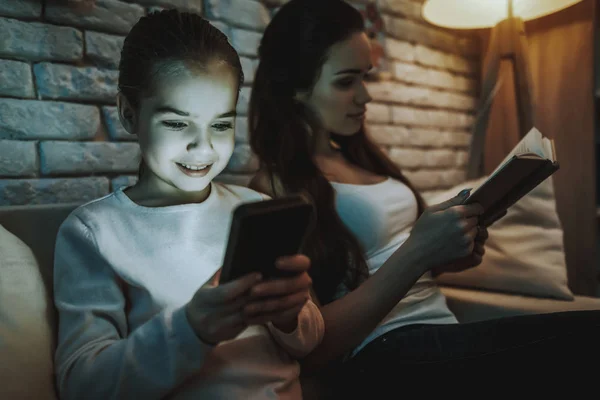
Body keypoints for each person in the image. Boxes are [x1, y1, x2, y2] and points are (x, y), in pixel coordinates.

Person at [248, 0, 600, 394]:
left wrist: (448, 255)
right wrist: (418, 253)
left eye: (366, 77)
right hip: (382, 353)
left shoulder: (359, 157)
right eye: (346, 81)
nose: (365, 97)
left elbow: (396, 261)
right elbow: (311, 349)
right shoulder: (274, 187)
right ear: (294, 87)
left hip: (440, 335)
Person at [52, 10, 324, 400]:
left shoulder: (255, 208)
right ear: (129, 113)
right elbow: (83, 385)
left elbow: (309, 340)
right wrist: (192, 328)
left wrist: (289, 315)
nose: (204, 148)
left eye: (221, 124)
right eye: (178, 124)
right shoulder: (94, 232)